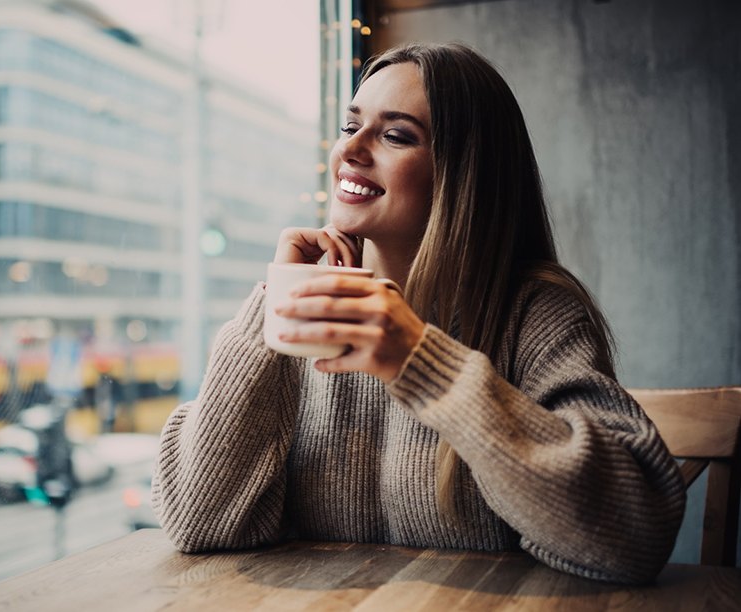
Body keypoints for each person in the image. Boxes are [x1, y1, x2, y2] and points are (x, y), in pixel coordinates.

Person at [152, 42, 685, 584]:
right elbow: (201, 524)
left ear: (463, 173)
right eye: (350, 125)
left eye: (395, 135)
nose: (351, 150)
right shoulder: (308, 304)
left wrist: (420, 360)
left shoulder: (534, 311)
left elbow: (634, 537)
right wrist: (270, 306)